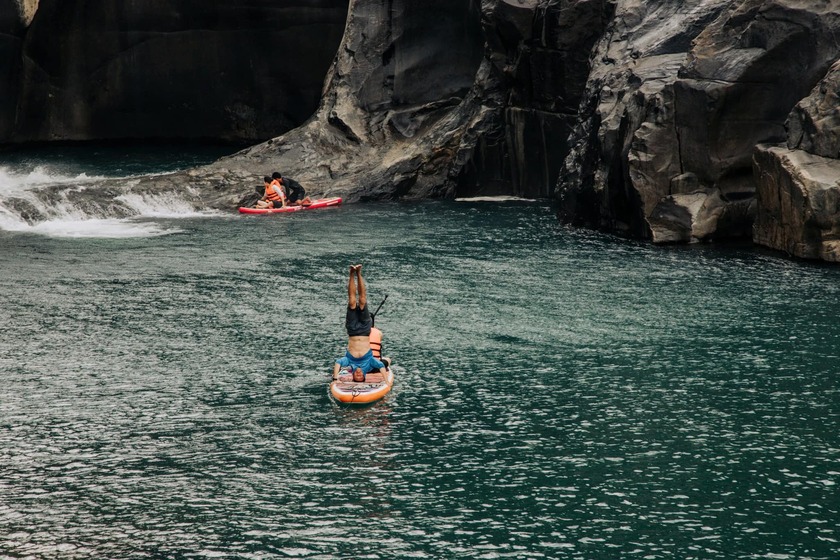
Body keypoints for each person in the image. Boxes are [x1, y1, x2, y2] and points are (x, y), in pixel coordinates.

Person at [332, 264, 390, 381]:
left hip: (352, 330)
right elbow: (381, 366)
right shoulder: (369, 364)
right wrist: (386, 381)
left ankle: (351, 273)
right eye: (360, 377)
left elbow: (338, 363)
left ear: (353, 375)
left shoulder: (349, 363)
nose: (358, 375)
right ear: (363, 376)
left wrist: (335, 378)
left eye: (356, 377)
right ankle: (358, 272)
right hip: (364, 330)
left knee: (352, 302)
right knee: (362, 301)